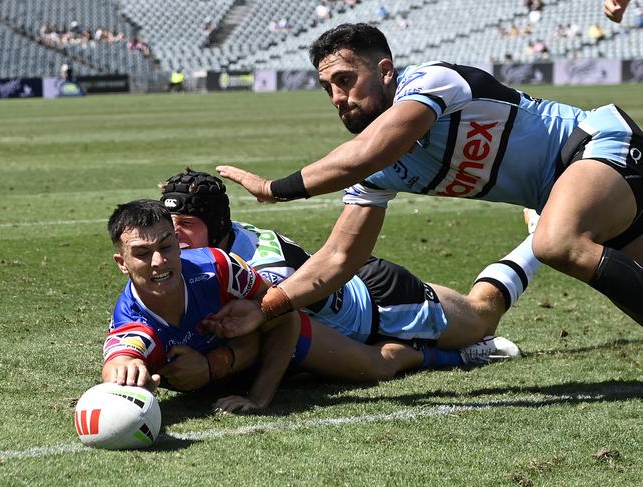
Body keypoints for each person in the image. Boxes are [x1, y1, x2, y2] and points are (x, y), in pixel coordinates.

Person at [208, 23, 643, 338]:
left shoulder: (432, 80)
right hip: (578, 189)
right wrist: (266, 308)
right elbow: (339, 259)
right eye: (328, 89)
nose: (339, 98)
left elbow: (364, 154)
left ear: (385, 70)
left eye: (346, 80)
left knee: (555, 241)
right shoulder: (379, 171)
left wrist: (274, 190)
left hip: (595, 145)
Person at [158, 169, 535, 387]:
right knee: (379, 364)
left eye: (187, 225)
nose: (175, 236)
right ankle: (451, 351)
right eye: (170, 224)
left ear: (219, 224)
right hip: (340, 321)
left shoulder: (264, 266)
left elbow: (268, 332)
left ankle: (539, 239)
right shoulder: (206, 251)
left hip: (382, 303)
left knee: (482, 314)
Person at [103, 199, 302, 411]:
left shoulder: (216, 267)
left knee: (340, 364)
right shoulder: (131, 321)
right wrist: (125, 374)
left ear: (178, 243)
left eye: (166, 246)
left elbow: (285, 315)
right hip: (241, 368)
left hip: (290, 347)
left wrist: (256, 396)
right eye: (142, 253)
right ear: (122, 263)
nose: (158, 261)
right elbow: (119, 360)